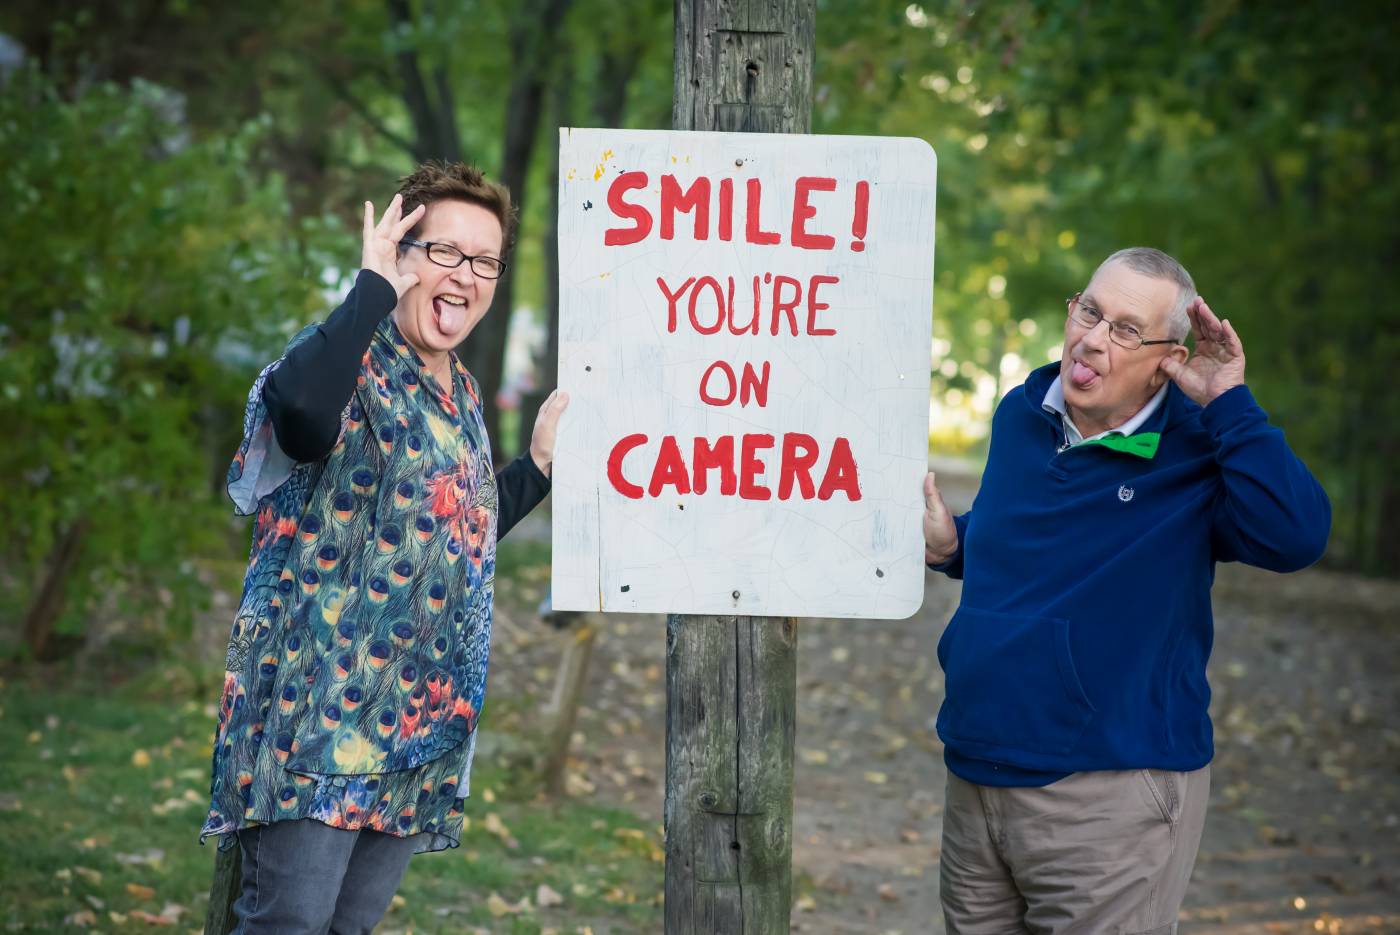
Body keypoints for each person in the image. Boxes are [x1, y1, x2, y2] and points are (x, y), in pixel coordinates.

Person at [200, 161, 569, 933]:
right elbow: (301, 415)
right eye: (445, 251)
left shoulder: (461, 390)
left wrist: (535, 468)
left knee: (348, 929)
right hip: (316, 719)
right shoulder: (348, 358)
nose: (465, 275)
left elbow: (450, 527)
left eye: (485, 260)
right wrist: (368, 290)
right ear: (401, 253)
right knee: (288, 924)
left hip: (416, 719)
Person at [922, 247, 1330, 932]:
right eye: (1090, 311)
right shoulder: (1023, 412)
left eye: (1126, 330)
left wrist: (1230, 404)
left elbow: (1297, 536)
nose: (1093, 338)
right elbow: (1033, 541)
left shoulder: (1200, 448)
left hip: (1109, 793)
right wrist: (955, 545)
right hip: (976, 771)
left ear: (1170, 358)